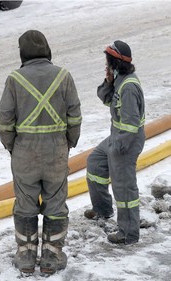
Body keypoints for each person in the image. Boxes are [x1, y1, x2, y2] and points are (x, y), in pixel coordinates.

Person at [0, 30, 82, 274]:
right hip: (56, 150)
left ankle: (26, 256)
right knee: (56, 203)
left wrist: (11, 145)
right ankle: (51, 258)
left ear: (23, 52)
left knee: (25, 204)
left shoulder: (15, 79)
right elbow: (74, 115)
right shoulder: (63, 76)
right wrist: (69, 142)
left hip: (25, 152)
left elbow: (4, 120)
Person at [84, 40, 145, 245]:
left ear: (115, 62)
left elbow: (131, 125)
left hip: (126, 142)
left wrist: (116, 151)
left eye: (108, 61)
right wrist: (108, 81)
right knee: (95, 163)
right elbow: (106, 99)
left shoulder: (128, 87)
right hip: (117, 137)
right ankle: (102, 210)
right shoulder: (120, 80)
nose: (106, 64)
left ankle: (128, 234)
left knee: (124, 188)